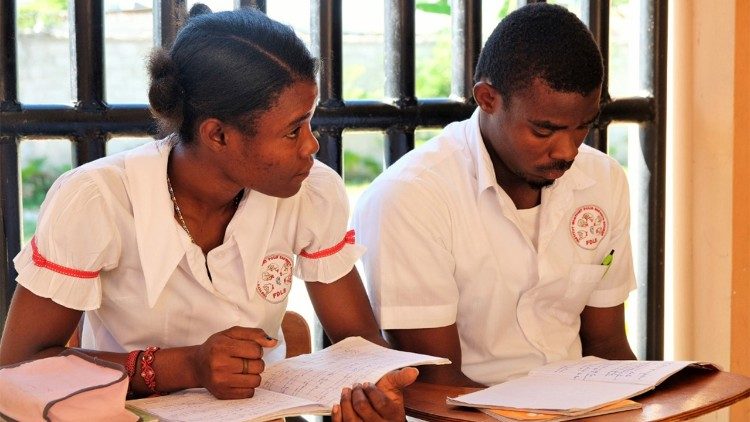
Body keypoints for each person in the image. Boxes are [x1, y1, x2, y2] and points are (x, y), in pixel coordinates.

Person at [0, 5, 416, 420]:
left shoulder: (312, 191)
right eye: (293, 130)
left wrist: (375, 393)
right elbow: (21, 366)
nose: (311, 146)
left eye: (310, 123)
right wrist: (184, 366)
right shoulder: (97, 200)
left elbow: (360, 345)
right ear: (217, 134)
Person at [352, 3, 637, 388]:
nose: (567, 150)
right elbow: (436, 383)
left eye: (582, 127)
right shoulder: (411, 197)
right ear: (487, 98)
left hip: (580, 410)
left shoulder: (603, 179)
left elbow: (608, 344)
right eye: (544, 130)